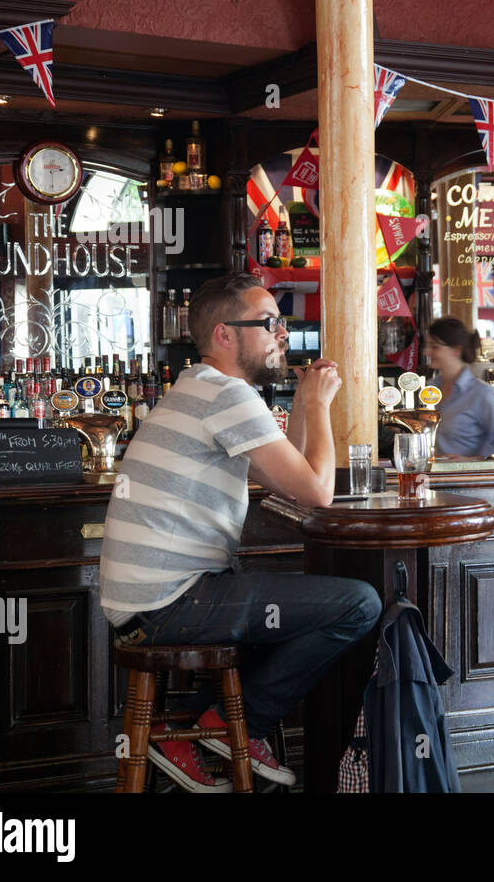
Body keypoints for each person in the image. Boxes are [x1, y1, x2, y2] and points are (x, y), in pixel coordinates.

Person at [100, 273, 382, 792]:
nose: (282, 334)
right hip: (168, 605)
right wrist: (320, 406)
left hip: (144, 605)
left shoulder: (202, 389)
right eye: (270, 323)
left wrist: (302, 402)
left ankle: (185, 728)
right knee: (358, 604)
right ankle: (228, 724)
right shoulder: (226, 395)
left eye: (281, 324)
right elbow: (317, 492)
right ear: (226, 335)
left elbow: (284, 472)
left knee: (294, 610)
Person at [426, 317, 494, 460]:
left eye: (434, 347)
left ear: (456, 350)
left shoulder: (480, 392)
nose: (427, 352)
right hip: (430, 477)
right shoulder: (429, 388)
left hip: (465, 478)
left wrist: (472, 460)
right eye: (428, 346)